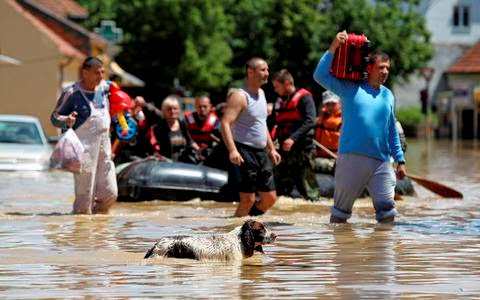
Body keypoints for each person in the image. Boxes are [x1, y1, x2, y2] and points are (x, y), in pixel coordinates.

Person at [313, 31, 407, 223]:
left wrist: (400, 159)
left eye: (387, 68)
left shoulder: (388, 95)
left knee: (388, 212)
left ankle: (384, 251)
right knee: (340, 214)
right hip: (351, 158)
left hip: (381, 161)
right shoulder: (350, 88)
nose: (385, 72)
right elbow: (319, 75)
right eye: (381, 67)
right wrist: (333, 47)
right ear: (369, 67)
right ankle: (341, 251)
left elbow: (391, 130)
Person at [50, 56, 117, 214]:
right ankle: (83, 233)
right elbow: (54, 117)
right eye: (97, 73)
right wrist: (66, 119)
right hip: (83, 153)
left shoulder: (106, 89)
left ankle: (99, 226)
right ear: (85, 73)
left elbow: (121, 104)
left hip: (104, 150)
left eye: (102, 72)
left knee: (110, 194)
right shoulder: (72, 93)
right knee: (84, 199)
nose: (101, 76)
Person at [221, 57, 281, 217]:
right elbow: (225, 123)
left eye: (267, 70)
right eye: (263, 70)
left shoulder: (261, 93)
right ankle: (234, 232)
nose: (267, 73)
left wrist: (271, 149)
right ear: (250, 72)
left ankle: (248, 225)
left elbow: (261, 125)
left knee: (270, 198)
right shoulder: (239, 96)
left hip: (261, 153)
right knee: (247, 199)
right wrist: (233, 150)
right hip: (244, 151)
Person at [271, 69, 320, 200]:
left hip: (302, 149)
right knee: (282, 189)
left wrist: (292, 138)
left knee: (309, 191)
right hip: (284, 151)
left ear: (287, 83)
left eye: (277, 86)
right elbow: (273, 123)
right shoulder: (279, 101)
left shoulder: (304, 98)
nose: (275, 90)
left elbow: (310, 121)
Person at [148, 95, 200, 163]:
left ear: (178, 110)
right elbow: (154, 149)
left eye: (175, 108)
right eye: (169, 109)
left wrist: (199, 150)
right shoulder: (159, 128)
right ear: (164, 111)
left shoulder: (182, 124)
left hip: (183, 164)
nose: (172, 111)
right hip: (166, 164)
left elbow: (189, 141)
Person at [314, 90, 342, 174]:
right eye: (327, 104)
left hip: (336, 160)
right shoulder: (320, 119)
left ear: (340, 104)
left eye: (333, 104)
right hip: (319, 158)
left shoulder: (344, 119)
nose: (330, 107)